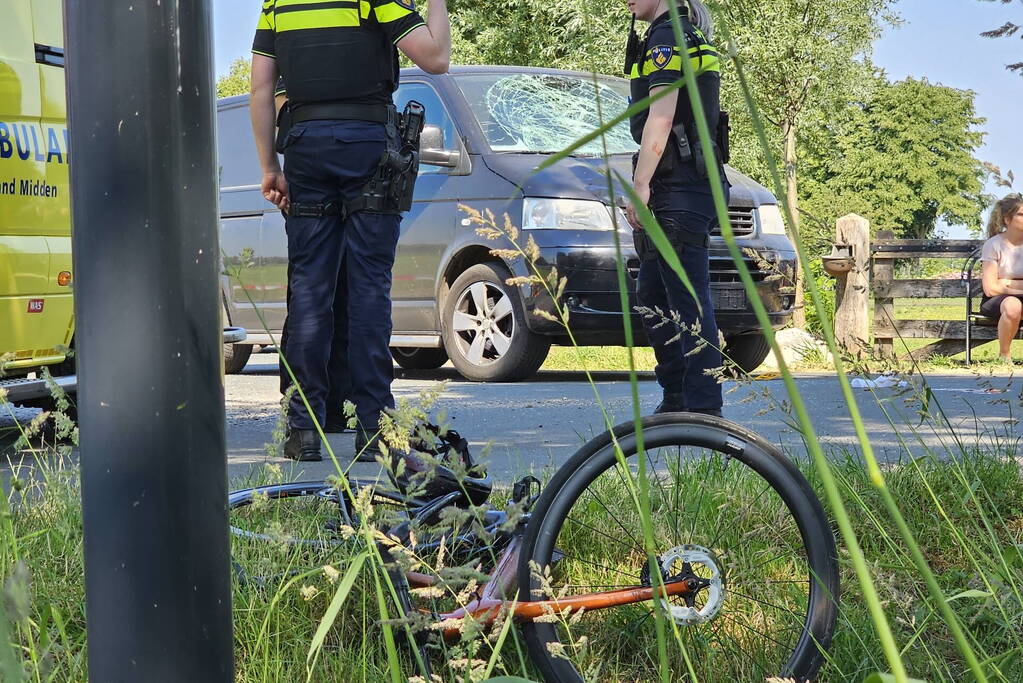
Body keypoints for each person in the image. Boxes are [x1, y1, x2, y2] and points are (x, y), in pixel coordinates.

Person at [250, 0, 451, 461]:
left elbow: (261, 88)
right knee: (368, 287)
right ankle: (375, 424)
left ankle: (302, 426)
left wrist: (269, 165)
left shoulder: (278, 5)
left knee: (309, 291)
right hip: (367, 147)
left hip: (304, 148)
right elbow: (435, 58)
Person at [624, 0, 728, 416]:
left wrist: (640, 184)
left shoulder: (669, 37)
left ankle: (705, 412)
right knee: (652, 292)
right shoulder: (675, 33)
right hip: (687, 184)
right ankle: (677, 399)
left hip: (680, 189)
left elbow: (661, 118)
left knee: (688, 301)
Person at [273, 77, 352, 435]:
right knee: (321, 297)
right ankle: (312, 408)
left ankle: (315, 413)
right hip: (325, 180)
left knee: (317, 297)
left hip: (312, 176)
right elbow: (281, 108)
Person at [979, 193, 1023, 364]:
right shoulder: (994, 244)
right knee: (1013, 305)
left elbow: (999, 284)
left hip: (1009, 293)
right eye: (1021, 214)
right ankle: (1004, 356)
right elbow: (990, 289)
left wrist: (1007, 282)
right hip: (998, 301)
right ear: (1007, 219)